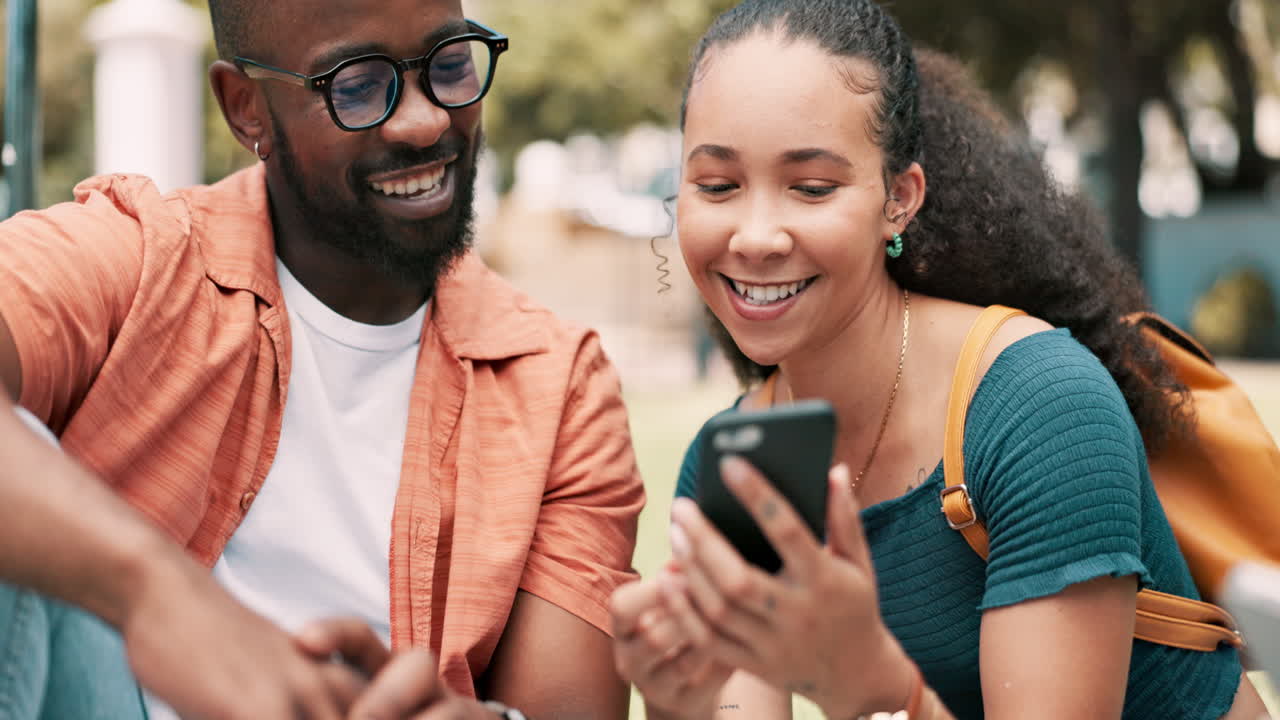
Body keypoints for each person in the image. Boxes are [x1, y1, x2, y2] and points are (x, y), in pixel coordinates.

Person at [610, 1, 1270, 718]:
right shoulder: (736, 464)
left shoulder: (1040, 406)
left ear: (899, 199)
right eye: (717, 186)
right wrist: (678, 701)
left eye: (812, 187)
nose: (756, 236)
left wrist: (873, 686)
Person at [0, 0, 644, 717]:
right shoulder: (139, 260)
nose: (424, 121)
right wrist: (156, 594)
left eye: (451, 64)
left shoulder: (557, 384)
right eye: (358, 85)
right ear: (245, 108)